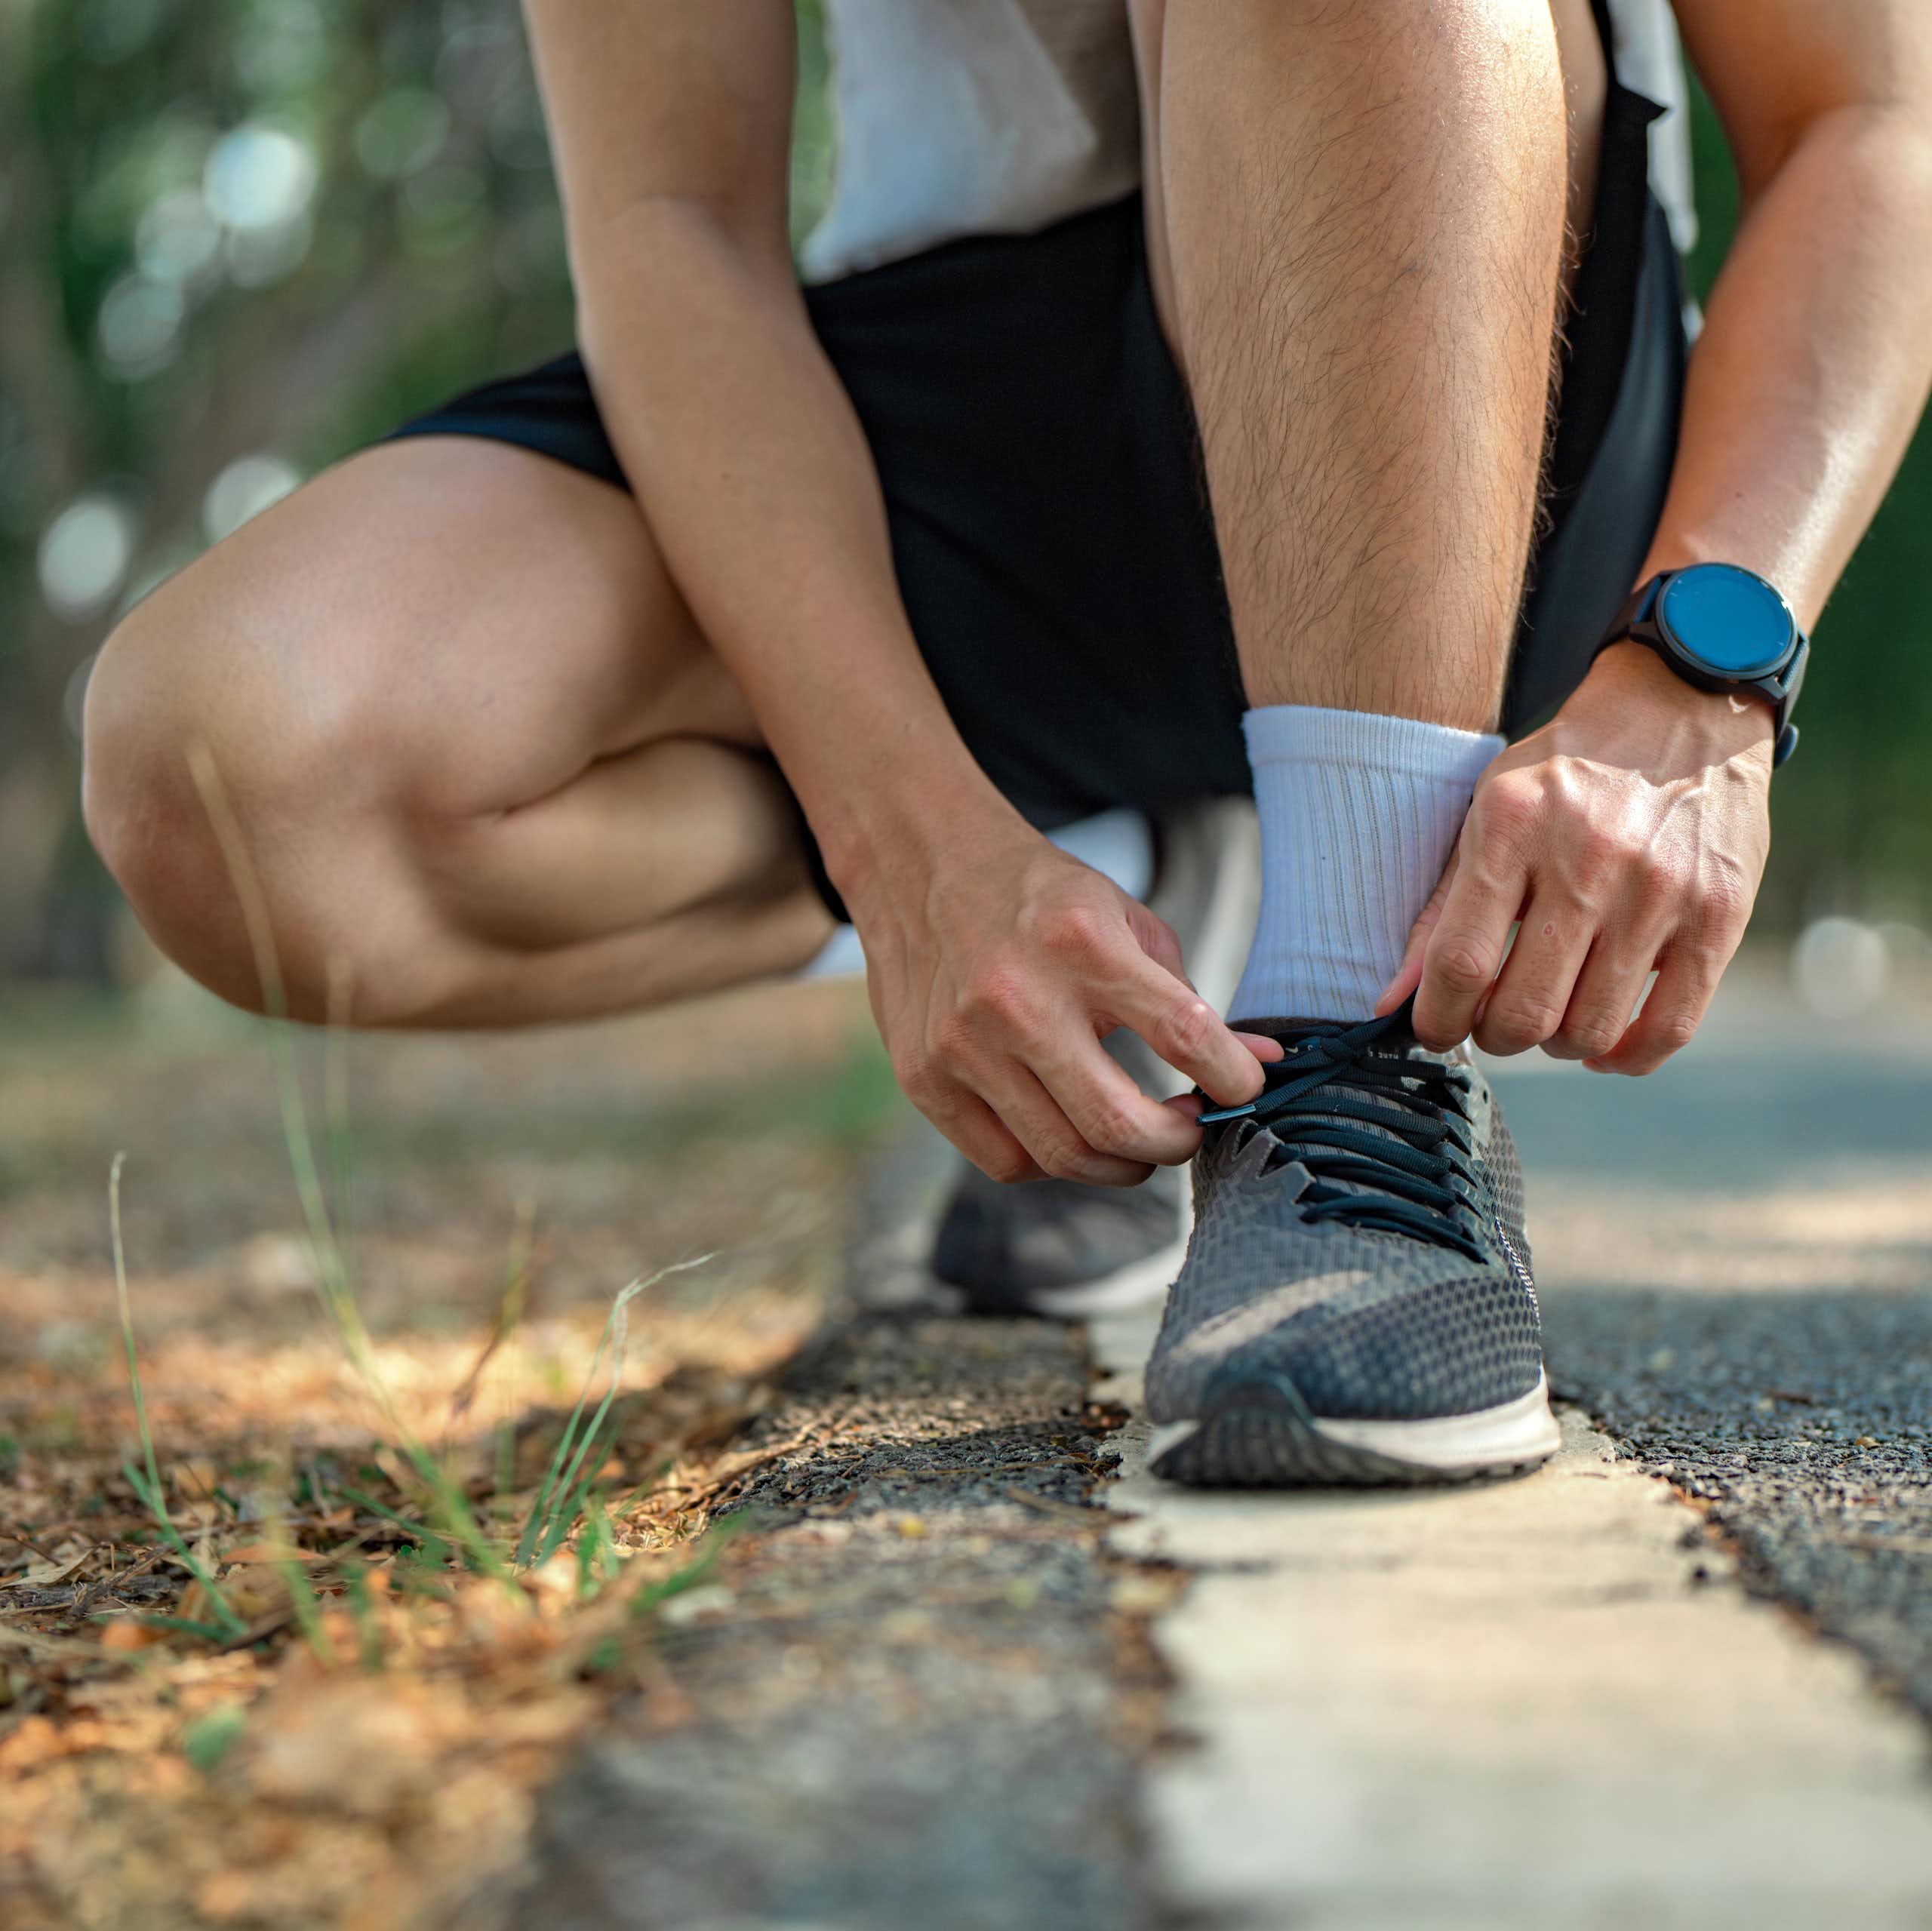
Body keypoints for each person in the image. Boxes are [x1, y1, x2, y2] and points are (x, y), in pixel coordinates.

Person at [82, 2, 1932, 1485]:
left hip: (1480, 337)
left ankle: (1349, 1059)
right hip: (960, 378)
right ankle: (1138, 872)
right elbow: (667, 226)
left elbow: (1867, 121)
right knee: (239, 775)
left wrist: (1703, 671)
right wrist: (913, 847)